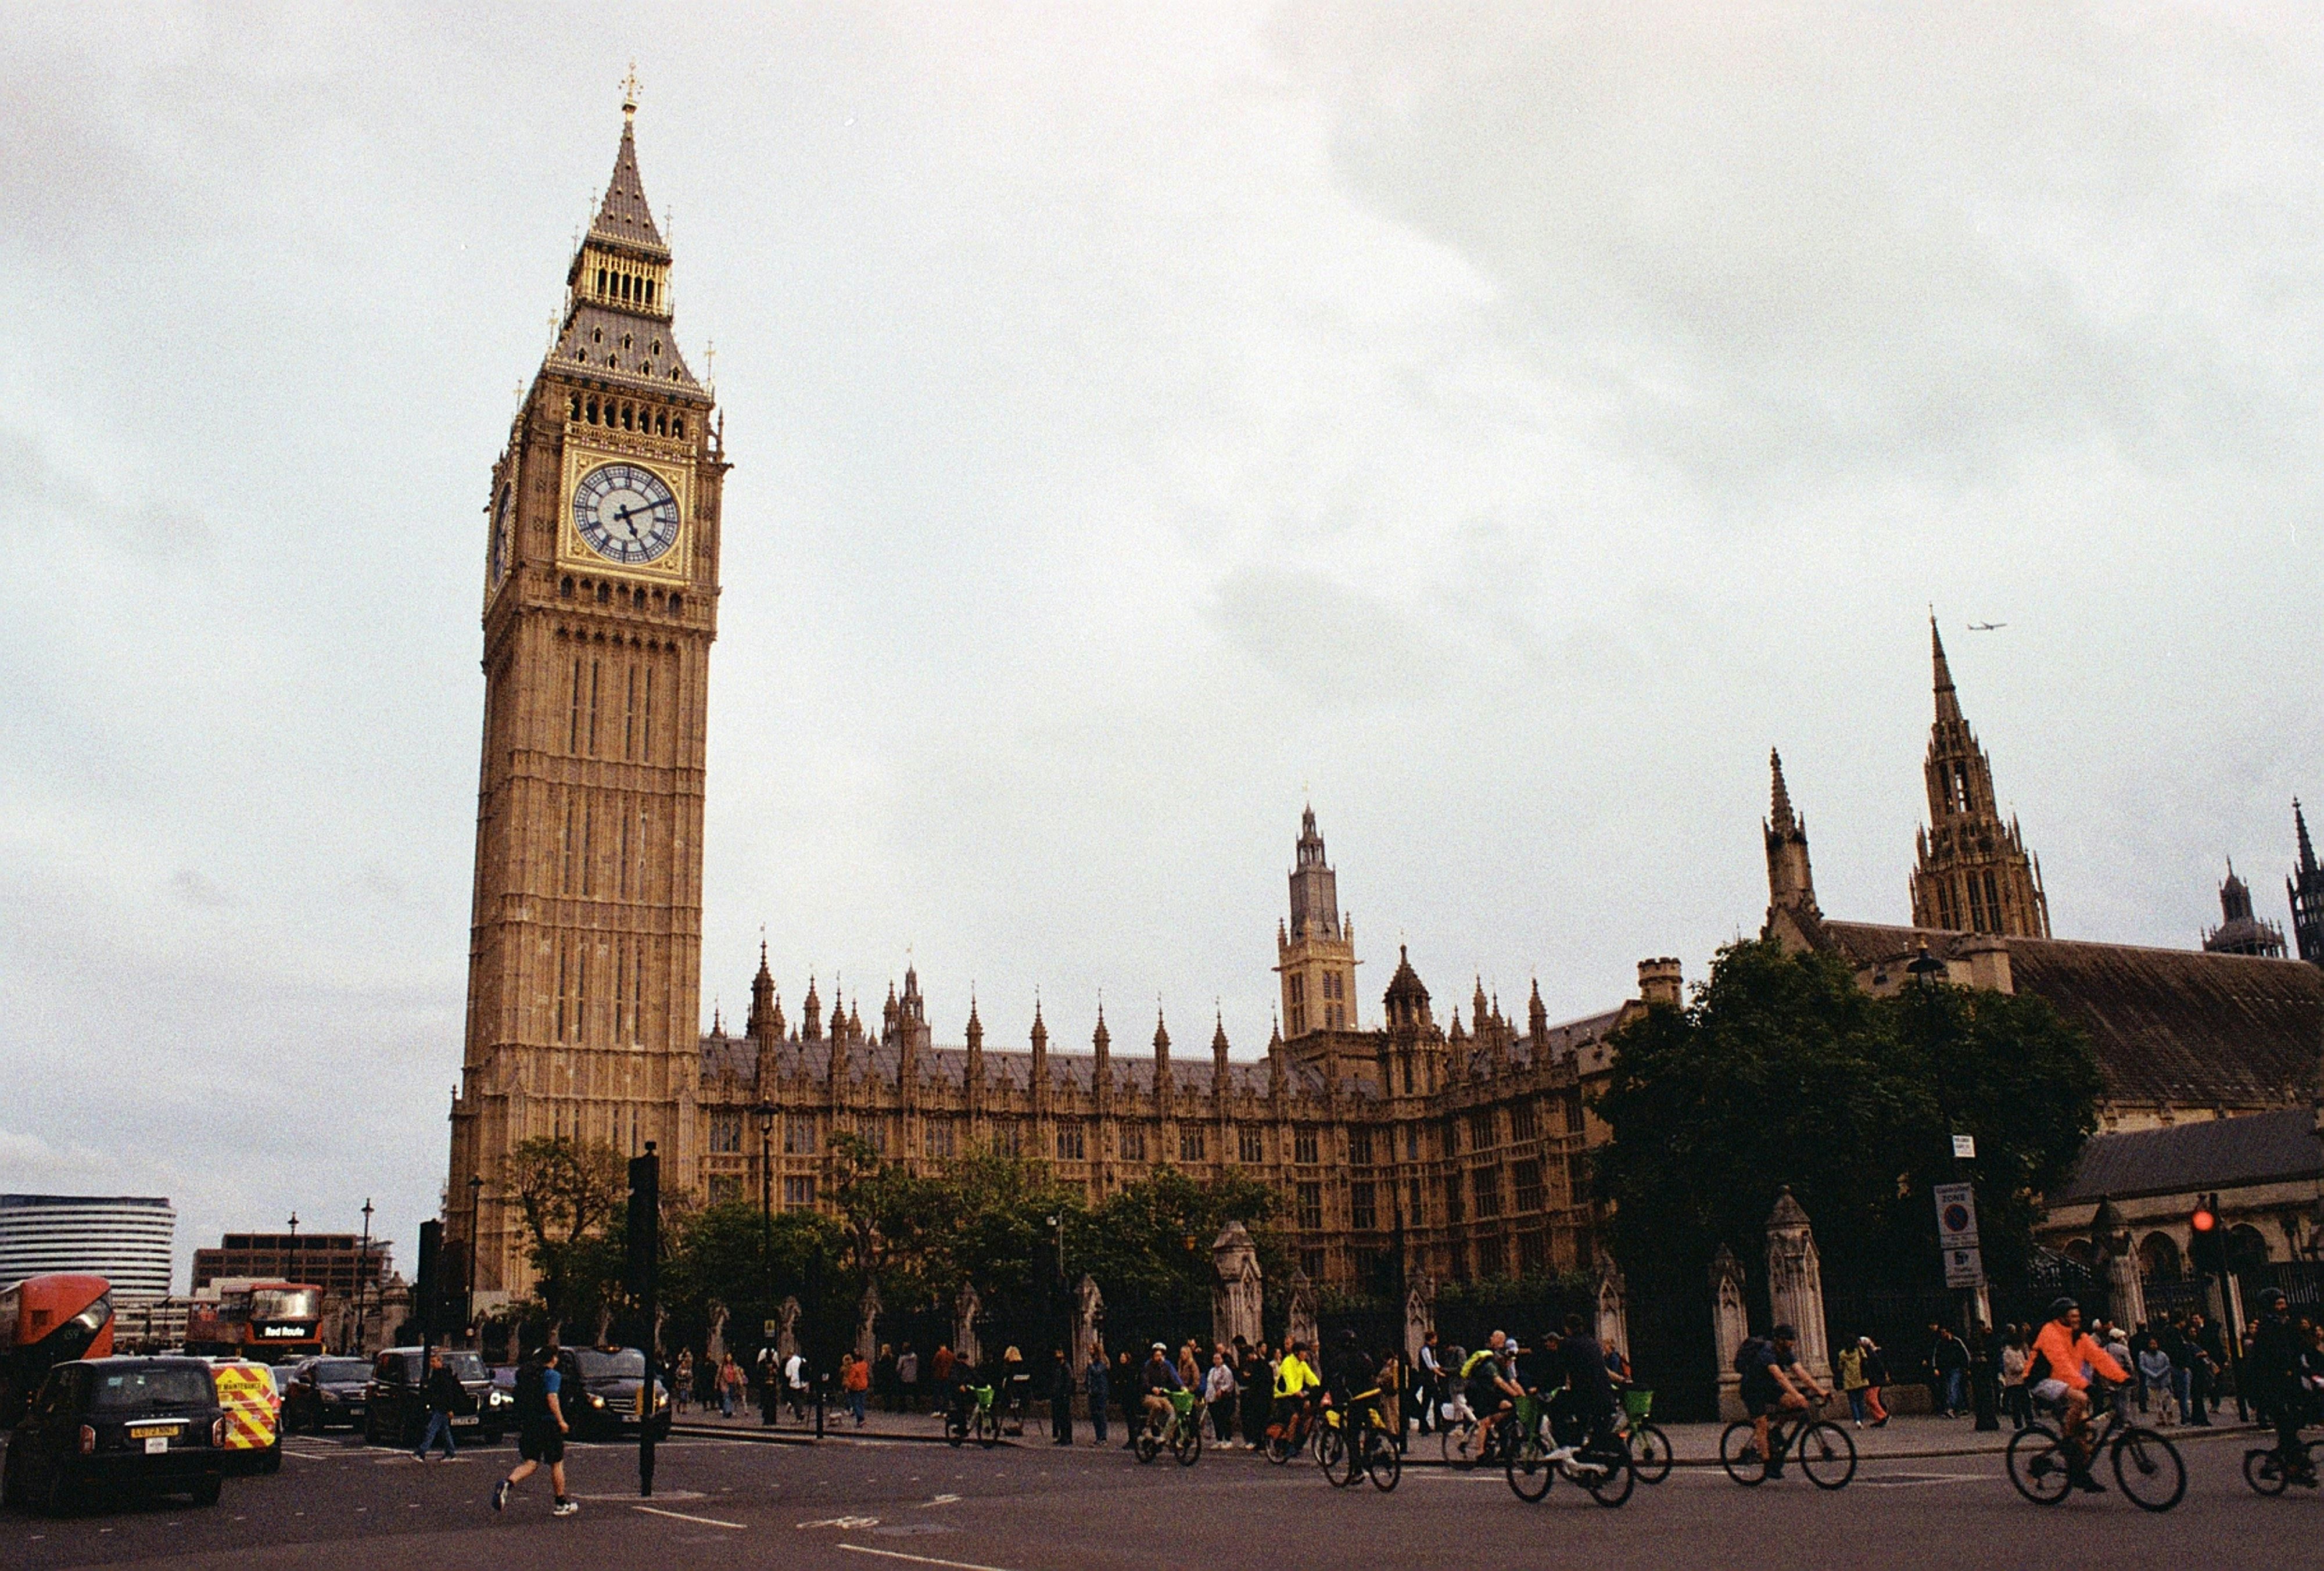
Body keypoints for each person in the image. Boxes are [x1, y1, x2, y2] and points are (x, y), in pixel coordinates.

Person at [2025, 1296, 2128, 1495]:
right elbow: (2062, 1366)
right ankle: (2068, 1438)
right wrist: (2087, 1387)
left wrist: (2122, 1377)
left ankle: (2080, 1472)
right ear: (2061, 1318)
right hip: (2042, 1379)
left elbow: (2099, 1357)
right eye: (2072, 1315)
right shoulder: (2050, 1334)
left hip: (2066, 1383)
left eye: (2077, 1315)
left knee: (2087, 1434)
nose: (2077, 1318)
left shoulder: (2079, 1336)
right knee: (2081, 1401)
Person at [494, 1343, 575, 1518]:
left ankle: (508, 1482)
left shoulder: (527, 1375)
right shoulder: (552, 1375)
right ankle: (561, 1503)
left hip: (530, 1422)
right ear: (553, 1359)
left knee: (531, 1462)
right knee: (556, 1462)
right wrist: (561, 1421)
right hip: (548, 1423)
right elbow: (552, 1397)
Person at [1739, 1324, 1830, 1478]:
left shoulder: (1787, 1353)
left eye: (1793, 1339)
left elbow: (1801, 1373)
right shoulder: (1767, 1353)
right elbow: (1780, 1377)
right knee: (1762, 1423)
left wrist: (1820, 1390)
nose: (1792, 1343)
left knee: (1793, 1405)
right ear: (1779, 1340)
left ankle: (1776, 1430)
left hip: (1769, 1386)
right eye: (1789, 1339)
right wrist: (1797, 1394)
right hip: (1752, 1389)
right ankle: (1768, 1465)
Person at [2248, 1287, 2316, 1488]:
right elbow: (2263, 1364)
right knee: (2287, 1428)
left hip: (2290, 1385)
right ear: (2269, 1307)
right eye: (2278, 1304)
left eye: (2284, 1302)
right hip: (2272, 1390)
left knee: (2297, 1423)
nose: (2283, 1306)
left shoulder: (2287, 1325)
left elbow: (2301, 1348)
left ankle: (2277, 1459)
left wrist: (2311, 1369)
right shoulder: (2266, 1330)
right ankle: (2294, 1469)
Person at [1548, 1313, 1619, 1464]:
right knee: (1582, 1419)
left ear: (1567, 1329)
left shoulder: (1568, 1344)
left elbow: (1559, 1370)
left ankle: (1565, 1447)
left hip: (1585, 1395)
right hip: (1605, 1394)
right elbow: (1602, 1369)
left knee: (1555, 1408)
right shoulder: (1593, 1343)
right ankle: (1579, 1448)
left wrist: (1545, 1386)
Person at [414, 1347, 467, 1461]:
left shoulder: (443, 1375)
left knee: (431, 1430)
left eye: (434, 1361)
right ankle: (450, 1452)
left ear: (440, 1362)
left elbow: (447, 1394)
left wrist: (449, 1409)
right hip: (439, 1406)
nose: (432, 1364)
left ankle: (421, 1452)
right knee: (444, 1431)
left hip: (442, 1407)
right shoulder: (438, 1374)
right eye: (431, 1362)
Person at [1140, 1342, 1184, 1436]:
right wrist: (1152, 1388)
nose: (1159, 1358)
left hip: (1163, 1396)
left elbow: (1174, 1378)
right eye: (1157, 1356)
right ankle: (1148, 1426)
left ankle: (1167, 1434)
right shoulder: (1147, 1366)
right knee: (1157, 1406)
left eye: (1161, 1355)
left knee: (1173, 1414)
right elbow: (1144, 1382)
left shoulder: (1166, 1367)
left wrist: (1180, 1386)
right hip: (1150, 1395)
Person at [1237, 1339, 1271, 1448]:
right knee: (1253, 1418)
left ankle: (1258, 1441)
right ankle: (1254, 1440)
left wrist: (1249, 1377)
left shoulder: (1259, 1364)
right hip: (1257, 1395)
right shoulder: (1258, 1363)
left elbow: (1259, 1379)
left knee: (1257, 1419)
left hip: (1259, 1395)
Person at [1930, 1324, 1969, 1418]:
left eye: (1944, 1333)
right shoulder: (1940, 1343)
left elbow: (1965, 1354)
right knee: (1952, 1388)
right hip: (1945, 1368)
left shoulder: (1957, 1342)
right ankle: (1960, 1407)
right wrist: (1935, 1368)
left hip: (1956, 1368)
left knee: (1953, 1386)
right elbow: (1936, 1356)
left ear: (1949, 1333)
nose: (1943, 1335)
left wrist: (1967, 1367)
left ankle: (1950, 1408)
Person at [1203, 1348, 1239, 1444]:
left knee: (1225, 1418)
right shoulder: (1212, 1371)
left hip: (1224, 1398)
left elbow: (1230, 1383)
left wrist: (1222, 1390)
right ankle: (1219, 1440)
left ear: (1222, 1360)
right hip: (1213, 1398)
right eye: (1215, 1359)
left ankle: (1227, 1439)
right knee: (1216, 1419)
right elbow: (1209, 1384)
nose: (1217, 1361)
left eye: (1218, 1358)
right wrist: (1208, 1397)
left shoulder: (1226, 1370)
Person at [1836, 1336, 1871, 1429]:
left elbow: (1840, 1367)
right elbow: (1865, 1359)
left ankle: (1857, 1420)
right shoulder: (1859, 1350)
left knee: (1853, 1402)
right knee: (1861, 1401)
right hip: (1860, 1379)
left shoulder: (1842, 1354)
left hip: (1849, 1381)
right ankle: (1861, 1419)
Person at [1997, 1330, 2029, 1430]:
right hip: (2013, 1382)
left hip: (2022, 1381)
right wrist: (2024, 1367)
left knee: (2026, 1402)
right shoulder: (2008, 1353)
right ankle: (2018, 1424)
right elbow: (2013, 1368)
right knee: (2016, 1404)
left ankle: (2029, 1421)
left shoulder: (2019, 1352)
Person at [1414, 1330, 1444, 1434]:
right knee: (1436, 1398)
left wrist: (1440, 1368)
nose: (1437, 1340)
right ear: (1431, 1339)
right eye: (1435, 1338)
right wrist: (1440, 1373)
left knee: (1427, 1401)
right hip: (1427, 1379)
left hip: (1429, 1378)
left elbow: (1434, 1362)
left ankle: (1424, 1425)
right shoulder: (1425, 1350)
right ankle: (1437, 1423)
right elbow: (1430, 1365)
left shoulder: (1430, 1349)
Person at [1857, 1336, 1890, 1427]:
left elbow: (1878, 1367)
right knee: (1870, 1399)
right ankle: (1879, 1418)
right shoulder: (1869, 1354)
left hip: (1875, 1380)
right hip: (1873, 1380)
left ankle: (1883, 1416)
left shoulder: (1871, 1354)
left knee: (1871, 1399)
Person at [1049, 1348, 1076, 1446]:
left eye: (1060, 1353)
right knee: (1060, 1417)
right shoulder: (1058, 1367)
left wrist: (1066, 1393)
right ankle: (1062, 1436)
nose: (1058, 1355)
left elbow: (1069, 1381)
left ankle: (1068, 1438)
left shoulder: (1066, 1367)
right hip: (1058, 1394)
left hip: (1064, 1395)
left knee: (1066, 1417)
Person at [1085, 1347, 1110, 1446]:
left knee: (1101, 1415)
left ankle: (1103, 1437)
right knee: (1095, 1416)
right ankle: (1098, 1437)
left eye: (1092, 1349)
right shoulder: (1092, 1362)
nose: (1090, 1351)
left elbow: (1097, 1372)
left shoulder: (1102, 1362)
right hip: (1093, 1392)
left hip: (1100, 1392)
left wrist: (1091, 1365)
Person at [842, 1349, 869, 1427]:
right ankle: (862, 1417)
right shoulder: (865, 1365)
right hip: (864, 1385)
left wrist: (847, 1387)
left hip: (856, 1387)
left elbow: (851, 1378)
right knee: (861, 1403)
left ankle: (860, 1419)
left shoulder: (854, 1368)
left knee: (856, 1404)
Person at [784, 1346, 810, 1422]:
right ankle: (800, 1410)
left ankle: (799, 1415)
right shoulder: (803, 1360)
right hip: (803, 1383)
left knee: (796, 1399)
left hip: (794, 1383)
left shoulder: (790, 1362)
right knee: (801, 1399)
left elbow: (788, 1374)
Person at [672, 1348, 694, 1416]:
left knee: (685, 1397)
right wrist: (679, 1379)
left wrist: (690, 1382)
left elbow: (690, 1376)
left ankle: (685, 1409)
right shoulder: (680, 1368)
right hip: (681, 1384)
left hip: (686, 1384)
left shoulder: (688, 1368)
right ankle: (680, 1406)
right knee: (682, 1397)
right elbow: (677, 1375)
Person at [897, 1344, 920, 1412]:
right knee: (915, 1393)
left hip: (905, 1377)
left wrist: (899, 1373)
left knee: (902, 1393)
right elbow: (917, 1366)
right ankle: (917, 1406)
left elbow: (899, 1368)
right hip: (913, 1376)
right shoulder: (915, 1357)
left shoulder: (902, 1358)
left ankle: (902, 1407)